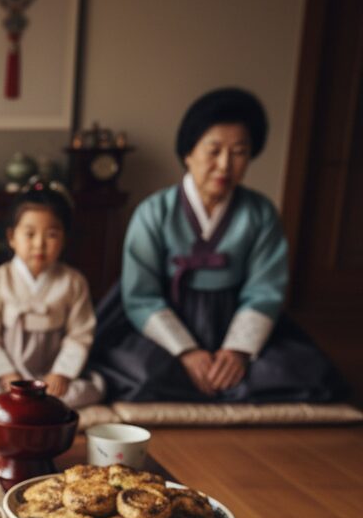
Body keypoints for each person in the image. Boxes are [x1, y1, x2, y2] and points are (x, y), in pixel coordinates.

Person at [89, 87, 346, 402]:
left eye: (239, 152)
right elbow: (141, 295)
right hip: (167, 323)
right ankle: (208, 380)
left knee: (304, 373)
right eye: (213, 150)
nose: (225, 165)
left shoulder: (261, 213)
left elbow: (266, 290)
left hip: (232, 318)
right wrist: (187, 352)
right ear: (188, 153)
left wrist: (237, 351)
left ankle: (223, 377)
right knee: (140, 373)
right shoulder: (153, 212)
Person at [0, 180, 103, 409]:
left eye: (51, 234)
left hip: (51, 376)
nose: (39, 244)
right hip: (10, 376)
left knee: (87, 391)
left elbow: (80, 335)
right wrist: (6, 374)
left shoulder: (73, 282)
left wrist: (61, 373)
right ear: (12, 237)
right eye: (29, 234)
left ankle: (40, 401)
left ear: (64, 238)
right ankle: (31, 402)